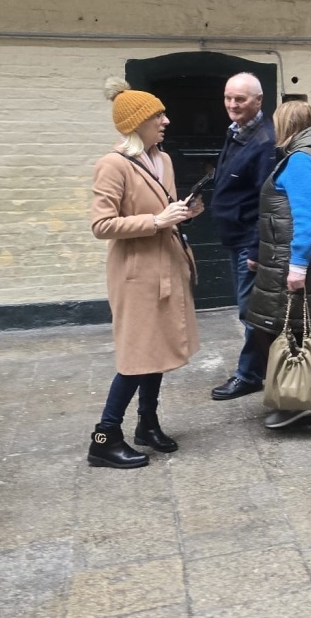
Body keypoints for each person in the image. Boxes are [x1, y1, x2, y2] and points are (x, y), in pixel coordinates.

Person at [88, 77, 202, 468]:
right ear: (137, 123)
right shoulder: (112, 165)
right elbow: (101, 225)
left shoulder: (163, 160)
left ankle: (147, 424)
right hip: (135, 274)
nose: (166, 121)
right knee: (136, 356)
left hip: (166, 266)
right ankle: (104, 438)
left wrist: (183, 213)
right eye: (158, 116)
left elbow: (163, 212)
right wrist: (155, 221)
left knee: (157, 350)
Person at [245, 101, 311, 429]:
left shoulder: (301, 159)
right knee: (304, 329)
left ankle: (300, 401)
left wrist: (298, 266)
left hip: (292, 261)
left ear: (287, 125)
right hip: (290, 259)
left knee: (271, 328)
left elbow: (310, 220)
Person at [210, 73, 277, 401]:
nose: (232, 104)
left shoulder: (264, 142)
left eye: (240, 99)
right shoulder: (238, 131)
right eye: (228, 98)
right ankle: (265, 370)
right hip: (236, 237)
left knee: (251, 312)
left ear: (258, 100)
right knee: (249, 310)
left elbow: (267, 201)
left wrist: (255, 249)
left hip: (248, 242)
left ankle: (251, 375)